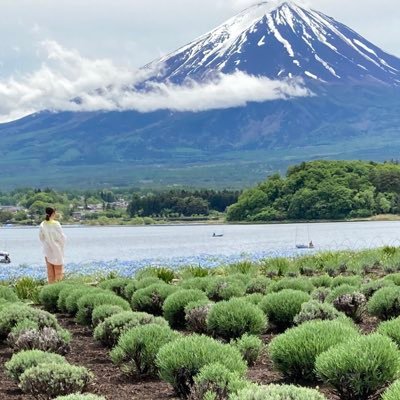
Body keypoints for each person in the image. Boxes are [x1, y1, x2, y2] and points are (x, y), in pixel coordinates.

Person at [39, 207, 66, 283]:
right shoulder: (56, 224)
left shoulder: (42, 224)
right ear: (53, 213)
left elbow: (41, 237)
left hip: (47, 249)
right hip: (57, 249)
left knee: (50, 271)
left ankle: (50, 287)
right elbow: (61, 237)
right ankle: (57, 289)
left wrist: (47, 242)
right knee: (59, 272)